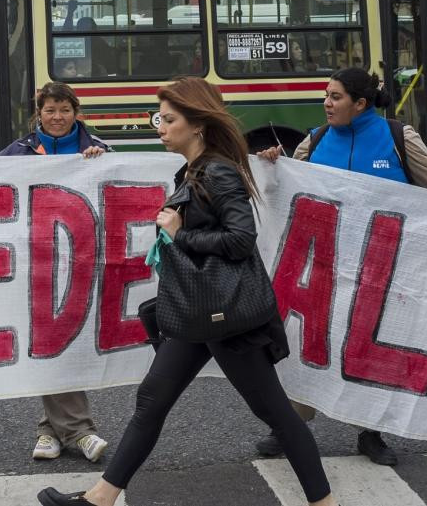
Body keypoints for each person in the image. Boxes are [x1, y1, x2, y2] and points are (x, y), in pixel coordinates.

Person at [38, 78, 337, 506]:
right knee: (151, 400)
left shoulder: (217, 171)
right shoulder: (194, 169)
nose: (160, 126)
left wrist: (180, 235)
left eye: (169, 119)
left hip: (225, 317)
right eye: (158, 117)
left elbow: (240, 240)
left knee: (278, 415)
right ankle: (99, 499)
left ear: (197, 124)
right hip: (197, 312)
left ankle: (325, 503)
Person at [255, 66, 427, 466]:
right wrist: (272, 164)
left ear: (360, 104)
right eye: (326, 95)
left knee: (370, 348)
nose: (326, 103)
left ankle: (371, 433)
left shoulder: (397, 139)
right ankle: (288, 427)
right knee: (310, 344)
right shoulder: (315, 141)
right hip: (324, 270)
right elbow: (286, 191)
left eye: (335, 97)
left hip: (381, 272)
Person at [0, 82, 109, 463]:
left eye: (64, 110)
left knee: (71, 342)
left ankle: (49, 431)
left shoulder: (98, 150)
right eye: (50, 110)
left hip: (83, 261)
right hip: (37, 261)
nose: (58, 117)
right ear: (38, 114)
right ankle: (80, 430)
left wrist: (100, 164)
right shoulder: (17, 152)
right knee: (50, 339)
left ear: (76, 112)